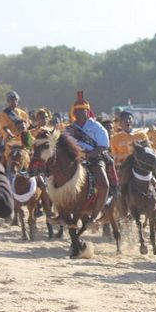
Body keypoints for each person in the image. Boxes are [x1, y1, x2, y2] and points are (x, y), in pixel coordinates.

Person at [64, 93, 113, 222]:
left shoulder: (97, 127)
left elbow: (103, 146)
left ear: (88, 111)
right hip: (74, 160)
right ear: (74, 112)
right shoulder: (69, 129)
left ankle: (95, 215)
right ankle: (61, 213)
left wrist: (87, 155)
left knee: (104, 185)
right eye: (78, 111)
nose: (80, 113)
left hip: (94, 159)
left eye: (83, 110)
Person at [0, 91, 30, 162]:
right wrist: (11, 134)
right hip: (9, 140)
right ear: (8, 101)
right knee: (4, 158)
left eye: (15, 99)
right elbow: (5, 127)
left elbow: (26, 127)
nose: (14, 101)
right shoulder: (4, 114)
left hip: (22, 140)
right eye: (11, 99)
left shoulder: (23, 113)